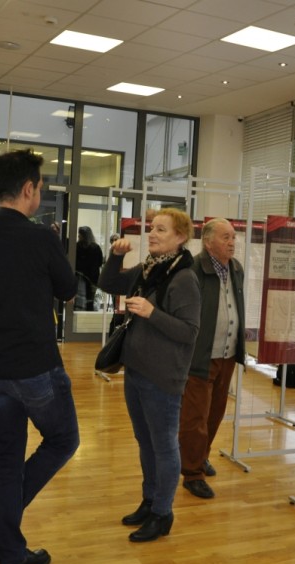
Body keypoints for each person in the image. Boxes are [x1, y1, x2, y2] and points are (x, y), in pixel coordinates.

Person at [0, 149, 80, 564]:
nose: (39, 195)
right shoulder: (40, 238)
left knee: (6, 456)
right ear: (28, 189)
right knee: (63, 439)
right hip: (35, 368)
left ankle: (11, 558)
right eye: (40, 188)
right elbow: (68, 290)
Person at [98, 207, 200, 542]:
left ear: (180, 237)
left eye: (161, 230)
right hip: (137, 371)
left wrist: (152, 312)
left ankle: (162, 513)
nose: (152, 234)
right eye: (152, 228)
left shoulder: (183, 278)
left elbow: (189, 332)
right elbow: (108, 283)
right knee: (146, 442)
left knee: (164, 446)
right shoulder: (148, 269)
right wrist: (115, 257)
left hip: (163, 378)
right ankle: (150, 501)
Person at [179, 218, 246, 499]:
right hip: (201, 354)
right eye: (225, 237)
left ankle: (201, 455)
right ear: (208, 242)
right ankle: (192, 473)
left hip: (227, 353)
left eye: (233, 237)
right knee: (195, 416)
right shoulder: (193, 269)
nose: (232, 242)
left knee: (216, 412)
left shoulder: (236, 269)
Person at [75, 226, 103, 311]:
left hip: (80, 276)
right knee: (90, 300)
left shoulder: (77, 246)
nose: (78, 236)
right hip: (93, 278)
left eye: (79, 234)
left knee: (79, 300)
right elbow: (100, 262)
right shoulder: (96, 247)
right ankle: (89, 314)